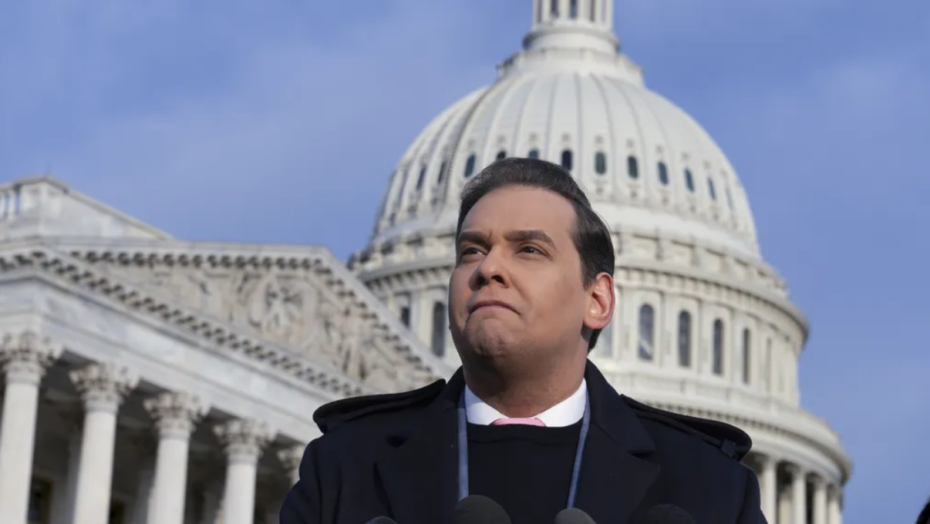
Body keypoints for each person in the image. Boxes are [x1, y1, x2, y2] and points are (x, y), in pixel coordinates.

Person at [281, 158, 765, 524]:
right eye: (472, 250)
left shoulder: (709, 487)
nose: (489, 268)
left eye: (529, 249)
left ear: (597, 300)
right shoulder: (346, 466)